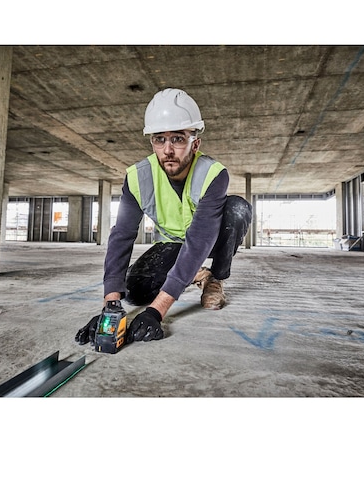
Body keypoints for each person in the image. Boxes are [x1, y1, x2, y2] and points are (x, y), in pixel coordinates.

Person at [75, 88, 252, 345]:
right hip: (171, 243)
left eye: (178, 139)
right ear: (152, 142)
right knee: (134, 292)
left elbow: (201, 238)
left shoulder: (213, 174)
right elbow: (122, 236)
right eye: (160, 139)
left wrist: (156, 311)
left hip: (210, 239)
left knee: (237, 209)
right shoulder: (137, 177)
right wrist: (110, 304)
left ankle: (214, 278)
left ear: (195, 142)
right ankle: (195, 274)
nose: (168, 149)